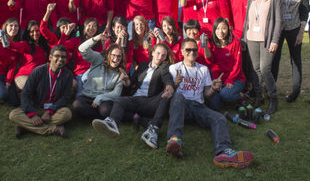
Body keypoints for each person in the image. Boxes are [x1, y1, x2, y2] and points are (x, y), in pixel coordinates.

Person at [165, 38, 254, 169]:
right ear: (182, 51)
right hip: (181, 106)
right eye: (188, 50)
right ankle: (174, 140)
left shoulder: (203, 70)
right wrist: (176, 84)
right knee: (178, 96)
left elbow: (206, 94)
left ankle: (224, 152)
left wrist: (212, 87)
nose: (192, 52)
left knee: (219, 118)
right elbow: (170, 91)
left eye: (195, 50)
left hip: (199, 106)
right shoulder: (174, 68)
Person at [92, 44, 175, 149]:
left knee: (166, 95)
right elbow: (131, 83)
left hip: (150, 101)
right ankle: (113, 123)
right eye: (158, 53)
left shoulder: (164, 67)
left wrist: (169, 87)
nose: (160, 57)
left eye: (163, 55)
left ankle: (152, 129)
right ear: (153, 52)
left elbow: (167, 79)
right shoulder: (142, 66)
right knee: (120, 100)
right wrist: (126, 81)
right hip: (136, 99)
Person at [9, 45, 73, 138]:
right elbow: (25, 94)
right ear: (50, 57)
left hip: (53, 111)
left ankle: (27, 127)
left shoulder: (68, 75)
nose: (60, 59)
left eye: (63, 57)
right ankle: (53, 129)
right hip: (35, 108)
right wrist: (32, 115)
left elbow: (65, 97)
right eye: (57, 56)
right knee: (13, 115)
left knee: (67, 114)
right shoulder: (38, 71)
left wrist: (49, 111)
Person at [242, 0, 283, 114]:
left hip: (267, 39)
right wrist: (244, 38)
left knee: (265, 68)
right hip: (252, 37)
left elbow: (278, 21)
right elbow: (248, 21)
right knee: (255, 69)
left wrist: (275, 40)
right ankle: (259, 96)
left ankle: (273, 97)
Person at [271, 0, 310, 102]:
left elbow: (304, 11)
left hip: (294, 28)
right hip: (279, 28)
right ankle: (271, 88)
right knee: (275, 58)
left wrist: (301, 32)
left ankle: (295, 91)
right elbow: (271, 2)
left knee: (295, 60)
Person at [72, 32, 129, 119]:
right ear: (108, 55)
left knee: (105, 110)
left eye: (119, 57)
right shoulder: (99, 58)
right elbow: (82, 49)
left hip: (104, 99)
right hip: (88, 95)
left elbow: (116, 93)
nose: (115, 59)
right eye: (113, 55)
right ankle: (101, 117)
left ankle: (98, 115)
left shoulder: (120, 71)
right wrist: (96, 38)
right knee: (77, 105)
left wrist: (100, 97)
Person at [207, 18, 246, 110]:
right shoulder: (212, 44)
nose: (220, 31)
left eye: (224, 28)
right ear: (214, 30)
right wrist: (216, 81)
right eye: (217, 28)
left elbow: (237, 64)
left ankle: (241, 96)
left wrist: (230, 79)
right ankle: (225, 96)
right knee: (215, 105)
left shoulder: (235, 43)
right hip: (219, 79)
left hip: (235, 78)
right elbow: (212, 64)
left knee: (225, 95)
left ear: (228, 29)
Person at [8, 20, 51, 90]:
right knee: (35, 85)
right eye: (32, 31)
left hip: (40, 77)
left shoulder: (44, 46)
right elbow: (15, 45)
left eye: (37, 31)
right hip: (23, 76)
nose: (35, 33)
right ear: (28, 33)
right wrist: (5, 41)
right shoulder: (25, 44)